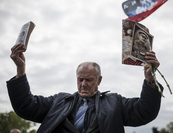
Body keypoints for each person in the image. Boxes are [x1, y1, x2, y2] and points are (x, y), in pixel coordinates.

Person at [7, 43, 163, 133]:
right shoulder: (59, 100)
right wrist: (20, 70)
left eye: (88, 80)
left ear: (99, 80)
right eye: (80, 79)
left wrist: (150, 80)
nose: (83, 84)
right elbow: (26, 107)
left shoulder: (115, 102)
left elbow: (145, 112)